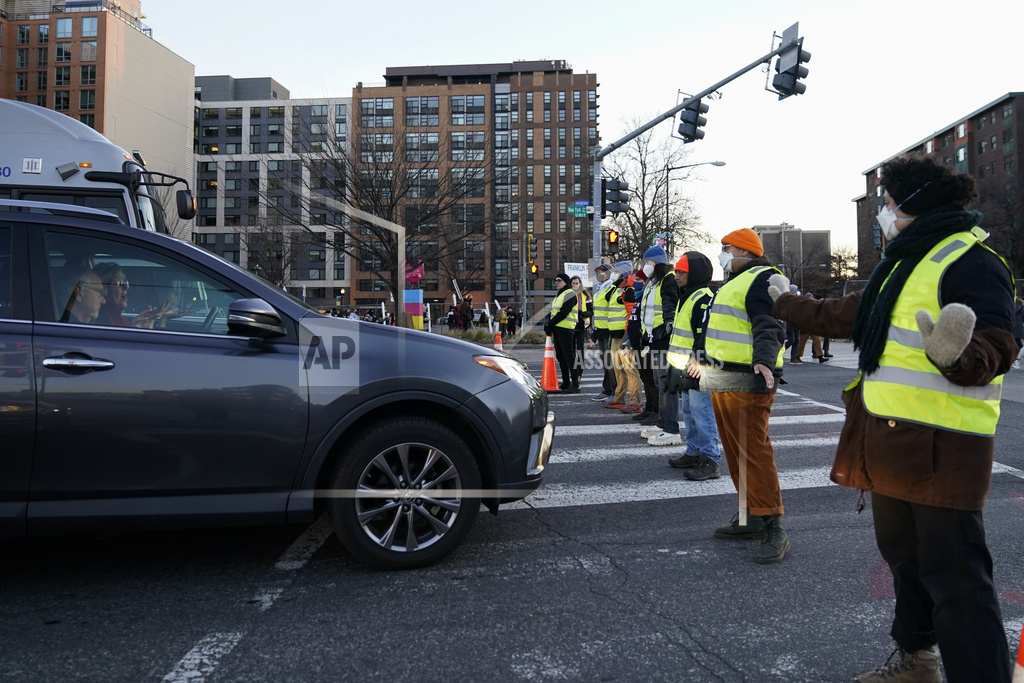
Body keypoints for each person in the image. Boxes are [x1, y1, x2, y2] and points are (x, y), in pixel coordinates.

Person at [771, 157, 1016, 682]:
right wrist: (787, 303)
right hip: (890, 445)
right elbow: (843, 315)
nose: (883, 214)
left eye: (887, 205)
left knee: (957, 584)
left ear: (914, 203)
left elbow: (998, 344)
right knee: (906, 564)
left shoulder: (973, 261)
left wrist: (958, 354)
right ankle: (918, 661)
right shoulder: (903, 264)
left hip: (942, 453)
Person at [697, 227, 788, 564]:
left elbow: (769, 323)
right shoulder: (735, 282)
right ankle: (752, 515)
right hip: (723, 377)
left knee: (753, 452)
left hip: (749, 378)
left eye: (727, 248)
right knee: (737, 451)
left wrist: (764, 360)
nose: (722, 254)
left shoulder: (762, 278)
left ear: (746, 252)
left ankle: (774, 524)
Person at [665, 252, 722, 480]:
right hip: (687, 366)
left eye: (682, 272)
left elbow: (705, 335)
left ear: (694, 273)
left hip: (698, 367)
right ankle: (694, 452)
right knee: (690, 411)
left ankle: (710, 460)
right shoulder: (688, 296)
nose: (677, 276)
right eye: (676, 271)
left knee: (702, 412)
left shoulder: (702, 298)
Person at [636, 246, 680, 445]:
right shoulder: (652, 283)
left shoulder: (668, 280)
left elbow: (669, 302)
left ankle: (670, 427)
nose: (646, 266)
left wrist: (669, 322)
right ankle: (663, 423)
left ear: (657, 263)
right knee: (658, 379)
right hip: (654, 337)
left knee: (665, 382)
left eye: (648, 262)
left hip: (664, 336)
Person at [93, 262, 190, 329]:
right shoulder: (100, 323)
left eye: (125, 283)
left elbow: (149, 349)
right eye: (118, 283)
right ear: (102, 291)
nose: (126, 288)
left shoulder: (122, 320)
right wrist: (133, 330)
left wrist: (152, 321)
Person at [543, 272, 578, 393]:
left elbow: (564, 312)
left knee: (569, 357)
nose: (556, 282)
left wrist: (550, 324)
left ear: (565, 282)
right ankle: (566, 382)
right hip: (558, 329)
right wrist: (549, 323)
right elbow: (554, 311)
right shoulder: (559, 295)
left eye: (559, 280)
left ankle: (575, 383)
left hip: (566, 329)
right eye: (556, 280)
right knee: (561, 357)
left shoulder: (570, 294)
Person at [589, 263, 618, 402]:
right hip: (601, 331)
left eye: (601, 272)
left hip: (608, 331)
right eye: (597, 272)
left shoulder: (610, 288)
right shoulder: (600, 289)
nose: (598, 275)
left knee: (610, 364)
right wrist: (594, 334)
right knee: (606, 364)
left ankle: (614, 391)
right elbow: (598, 313)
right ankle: (608, 389)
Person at [570, 275, 592, 391]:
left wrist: (584, 314)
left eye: (576, 283)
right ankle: (573, 375)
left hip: (581, 326)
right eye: (573, 284)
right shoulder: (567, 294)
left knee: (579, 351)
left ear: (580, 284)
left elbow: (591, 311)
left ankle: (579, 374)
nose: (574, 286)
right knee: (571, 352)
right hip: (569, 326)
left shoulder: (585, 295)